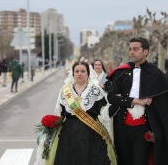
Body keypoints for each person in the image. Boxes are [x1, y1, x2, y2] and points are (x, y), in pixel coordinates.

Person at [35, 61, 117, 165]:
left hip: (91, 134)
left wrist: (117, 103)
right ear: (73, 74)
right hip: (68, 134)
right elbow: (59, 114)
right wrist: (49, 133)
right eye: (77, 71)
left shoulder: (96, 90)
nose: (79, 74)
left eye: (83, 71)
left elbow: (104, 112)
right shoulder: (65, 91)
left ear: (88, 74)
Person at [107, 37, 168, 165]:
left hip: (143, 130)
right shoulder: (123, 72)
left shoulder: (156, 74)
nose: (132, 52)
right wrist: (134, 101)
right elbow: (111, 97)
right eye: (130, 49)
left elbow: (162, 105)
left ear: (145, 52)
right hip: (122, 128)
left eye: (136, 49)